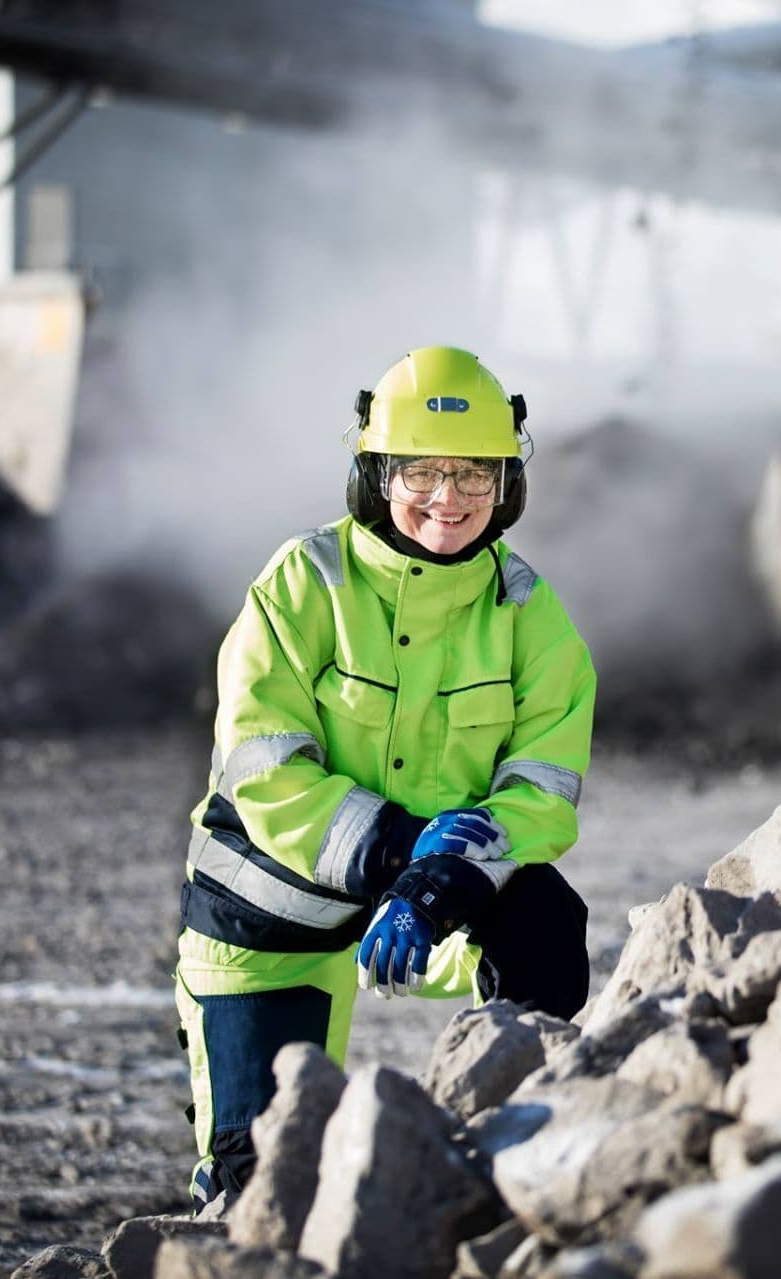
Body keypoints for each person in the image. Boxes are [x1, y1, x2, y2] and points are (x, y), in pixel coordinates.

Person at [171, 346, 595, 1211]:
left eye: (476, 473)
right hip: (269, 917)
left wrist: (440, 884)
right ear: (375, 473)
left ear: (508, 482)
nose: (449, 498)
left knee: (546, 917)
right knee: (260, 1185)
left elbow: (543, 788)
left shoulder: (528, 611)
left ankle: (511, 1171)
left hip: (419, 903)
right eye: (422, 471)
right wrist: (409, 850)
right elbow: (265, 766)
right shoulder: (302, 583)